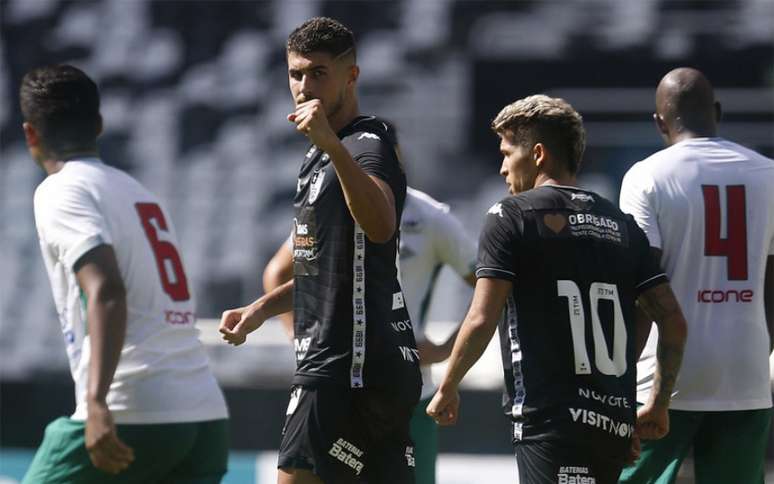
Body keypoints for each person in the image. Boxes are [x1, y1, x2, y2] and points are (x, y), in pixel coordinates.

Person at [426, 95, 688, 484]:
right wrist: (655, 405)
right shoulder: (622, 225)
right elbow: (671, 320)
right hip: (613, 422)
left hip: (549, 421)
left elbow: (482, 317)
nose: (501, 168)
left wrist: (447, 386)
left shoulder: (510, 217)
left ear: (537, 154)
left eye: (506, 153)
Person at [219, 17, 421, 484]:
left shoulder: (366, 144)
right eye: (295, 74)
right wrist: (261, 309)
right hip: (369, 364)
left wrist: (332, 146)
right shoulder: (321, 156)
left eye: (318, 73)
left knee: (295, 475)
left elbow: (380, 226)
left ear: (351, 75)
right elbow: (327, 268)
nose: (304, 86)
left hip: (343, 365)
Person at [20, 64, 229, 483]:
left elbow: (107, 289)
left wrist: (97, 402)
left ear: (30, 134)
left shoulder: (61, 190)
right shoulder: (139, 193)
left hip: (133, 408)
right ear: (98, 125)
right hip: (205, 414)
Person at [618, 67, 774, 484]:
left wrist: (620, 376)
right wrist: (760, 353)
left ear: (659, 122)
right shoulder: (768, 174)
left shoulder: (647, 176)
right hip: (746, 373)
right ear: (717, 112)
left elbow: (641, 288)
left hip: (663, 380)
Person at [263, 186, 477, 484]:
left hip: (409, 394)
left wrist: (445, 349)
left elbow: (489, 286)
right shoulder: (335, 201)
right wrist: (299, 340)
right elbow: (278, 273)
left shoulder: (430, 217)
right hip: (339, 385)